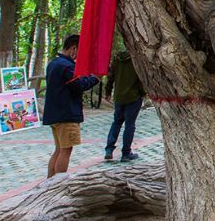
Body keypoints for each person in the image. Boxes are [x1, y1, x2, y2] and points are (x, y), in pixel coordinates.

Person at [42, 35, 98, 178]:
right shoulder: (66, 66)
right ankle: (59, 183)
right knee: (66, 150)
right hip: (66, 114)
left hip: (54, 114)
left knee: (59, 149)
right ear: (73, 49)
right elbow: (80, 84)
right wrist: (96, 77)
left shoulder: (53, 63)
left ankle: (50, 182)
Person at [103, 48, 145, 162]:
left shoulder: (117, 58)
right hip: (133, 96)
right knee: (129, 125)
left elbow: (111, 76)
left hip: (118, 97)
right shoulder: (137, 58)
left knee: (116, 122)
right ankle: (126, 153)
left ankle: (109, 149)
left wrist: (108, 91)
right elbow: (141, 78)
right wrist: (142, 93)